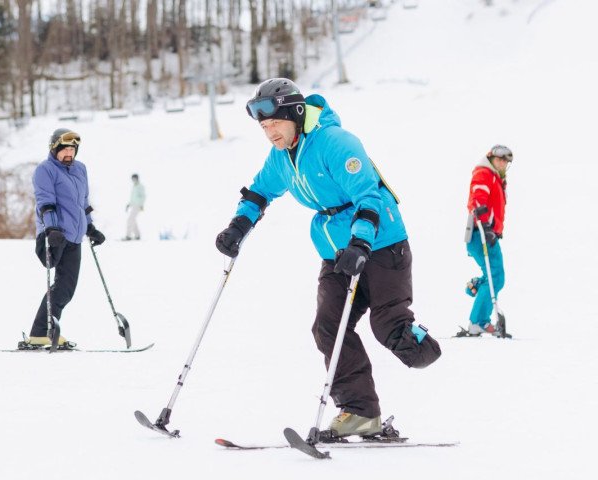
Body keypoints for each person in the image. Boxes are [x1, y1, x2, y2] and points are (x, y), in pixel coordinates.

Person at [215, 78, 441, 438]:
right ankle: (360, 412)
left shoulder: (336, 143)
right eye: (264, 126)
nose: (269, 132)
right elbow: (258, 193)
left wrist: (360, 244)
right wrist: (237, 227)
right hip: (336, 253)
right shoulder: (281, 158)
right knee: (328, 328)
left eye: (275, 123)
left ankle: (420, 343)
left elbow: (370, 197)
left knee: (389, 328)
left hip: (381, 245)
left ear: (296, 114)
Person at [20, 128, 106, 349]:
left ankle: (45, 331)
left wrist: (91, 228)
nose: (69, 153)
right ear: (54, 149)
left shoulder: (80, 169)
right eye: (65, 149)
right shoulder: (45, 170)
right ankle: (40, 332)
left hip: (74, 236)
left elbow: (83, 203)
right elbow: (45, 202)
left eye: (72, 149)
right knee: (59, 286)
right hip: (53, 234)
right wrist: (51, 230)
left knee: (66, 288)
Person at [464, 144, 512, 336]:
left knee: (492, 275)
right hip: (480, 233)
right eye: (499, 159)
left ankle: (475, 286)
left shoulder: (497, 178)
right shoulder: (484, 173)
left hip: (486, 233)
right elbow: (478, 200)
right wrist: (484, 225)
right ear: (491, 158)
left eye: (505, 161)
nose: (502, 163)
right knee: (496, 276)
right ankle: (478, 322)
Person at [124, 173, 146, 241]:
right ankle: (137, 235)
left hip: (138, 206)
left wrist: (141, 205)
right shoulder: (134, 186)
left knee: (130, 220)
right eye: (132, 179)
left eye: (134, 178)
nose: (133, 180)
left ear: (137, 178)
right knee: (133, 220)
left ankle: (128, 236)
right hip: (133, 205)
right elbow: (133, 198)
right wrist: (129, 204)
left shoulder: (140, 186)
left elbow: (143, 196)